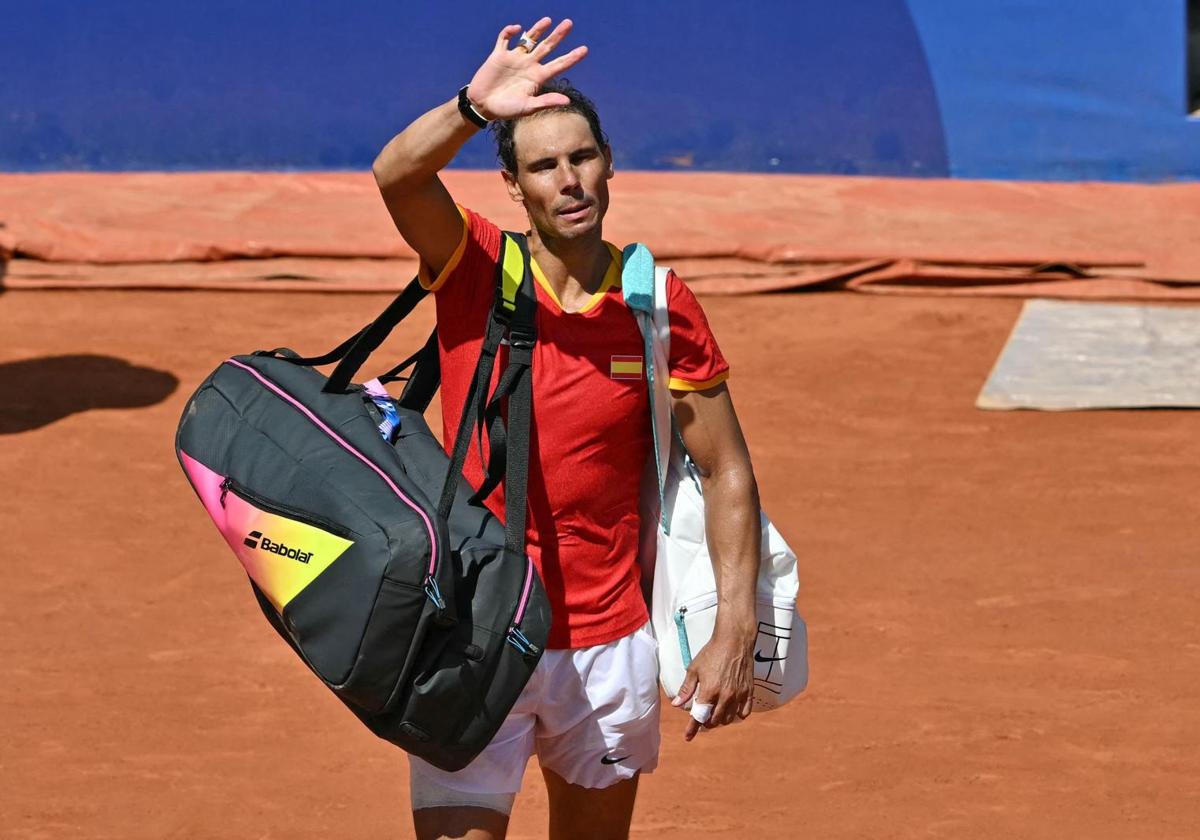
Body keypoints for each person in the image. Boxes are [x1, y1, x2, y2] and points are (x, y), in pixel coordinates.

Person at [372, 17, 762, 840]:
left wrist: (736, 623)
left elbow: (726, 467)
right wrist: (472, 108)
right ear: (515, 186)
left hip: (611, 645)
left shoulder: (657, 304)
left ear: (609, 164)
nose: (569, 180)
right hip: (479, 633)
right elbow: (398, 175)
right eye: (544, 166)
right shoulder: (474, 267)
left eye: (582, 157)